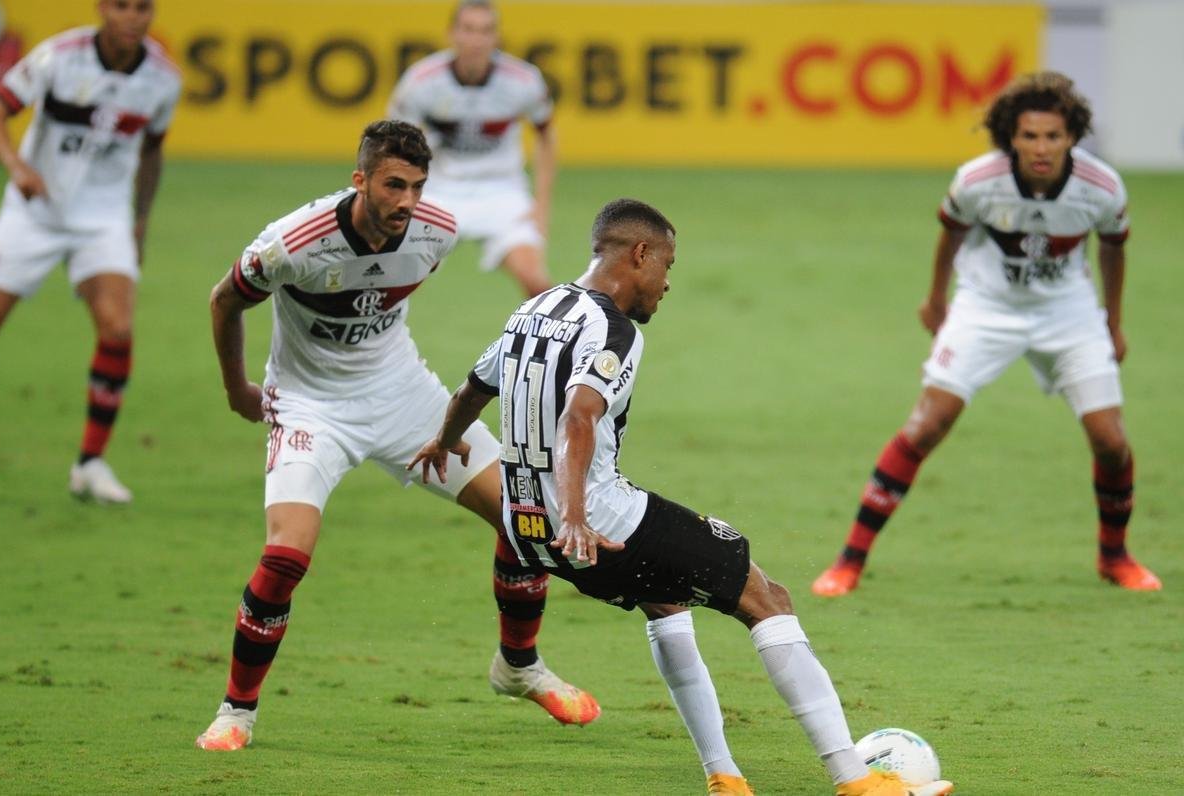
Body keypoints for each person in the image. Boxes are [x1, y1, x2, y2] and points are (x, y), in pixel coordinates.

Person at [410, 199, 954, 796]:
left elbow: (472, 389)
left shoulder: (532, 309)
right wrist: (576, 515)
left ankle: (725, 778)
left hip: (526, 531)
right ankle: (856, 780)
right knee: (767, 598)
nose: (667, 283)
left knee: (665, 601)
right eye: (667, 265)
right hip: (594, 523)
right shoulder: (613, 329)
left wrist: (444, 442)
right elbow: (578, 417)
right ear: (640, 254)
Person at [195, 120, 598, 752]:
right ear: (359, 181)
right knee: (286, 555)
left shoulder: (439, 231)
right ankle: (236, 711)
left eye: (417, 186)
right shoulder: (291, 245)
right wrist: (236, 389)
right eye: (392, 185)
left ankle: (518, 666)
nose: (407, 200)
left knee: (525, 517)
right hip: (309, 408)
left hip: (404, 396)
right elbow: (225, 300)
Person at [812, 71, 1161, 597]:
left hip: (1069, 314)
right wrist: (937, 300)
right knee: (926, 426)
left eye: (1053, 136)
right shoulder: (977, 181)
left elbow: (1114, 249)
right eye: (1029, 136)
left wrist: (1112, 322)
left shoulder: (1102, 187)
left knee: (1111, 441)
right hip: (986, 307)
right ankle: (848, 562)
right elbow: (949, 237)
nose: (1040, 148)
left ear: (1071, 137)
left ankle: (1116, 557)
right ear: (1010, 137)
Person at [0, 0, 179, 503]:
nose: (133, 17)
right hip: (33, 212)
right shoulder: (59, 56)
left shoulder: (163, 78)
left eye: (143, 8)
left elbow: (152, 150)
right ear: (102, 9)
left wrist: (139, 221)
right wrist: (17, 168)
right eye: (122, 6)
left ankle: (90, 464)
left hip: (103, 218)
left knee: (117, 328)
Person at [386, 0, 554, 298]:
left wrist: (541, 205)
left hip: (502, 191)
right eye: (469, 29)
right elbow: (393, 144)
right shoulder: (422, 81)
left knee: (537, 284)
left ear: (496, 37)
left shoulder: (523, 80)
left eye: (485, 31)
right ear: (452, 33)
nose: (477, 40)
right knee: (391, 281)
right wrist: (398, 197)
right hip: (437, 190)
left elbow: (546, 135)